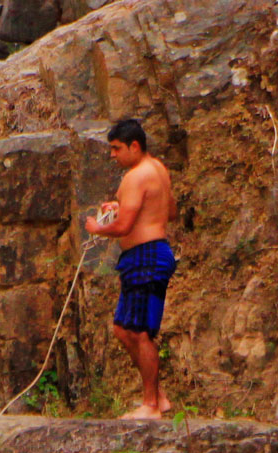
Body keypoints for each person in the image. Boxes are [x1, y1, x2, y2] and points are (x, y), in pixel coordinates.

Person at [85, 117, 177, 420]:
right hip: (145, 256)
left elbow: (124, 226)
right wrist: (121, 208)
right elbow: (169, 210)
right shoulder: (158, 170)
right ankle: (159, 398)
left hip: (147, 256)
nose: (112, 155)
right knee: (123, 329)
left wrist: (97, 228)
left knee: (138, 332)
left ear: (134, 146)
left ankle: (150, 405)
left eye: (116, 148)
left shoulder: (136, 176)